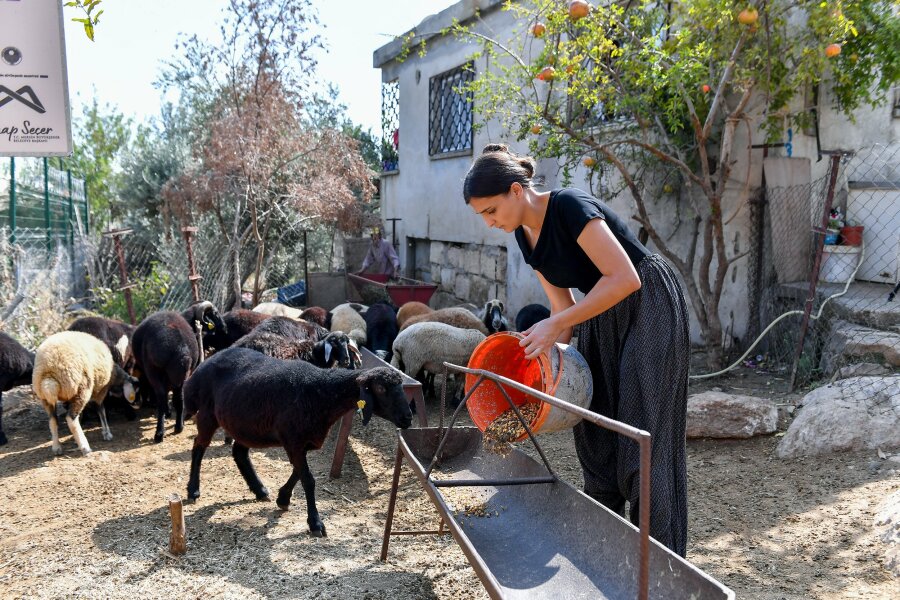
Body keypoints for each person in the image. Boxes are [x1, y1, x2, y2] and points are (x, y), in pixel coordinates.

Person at [463, 143, 690, 557]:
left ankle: (659, 567)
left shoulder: (568, 205)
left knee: (642, 434)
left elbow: (624, 277)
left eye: (490, 211)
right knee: (595, 432)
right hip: (600, 313)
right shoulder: (523, 236)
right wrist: (544, 376)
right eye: (482, 216)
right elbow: (562, 308)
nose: (489, 223)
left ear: (516, 191)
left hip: (649, 303)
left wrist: (557, 325)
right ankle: (605, 556)